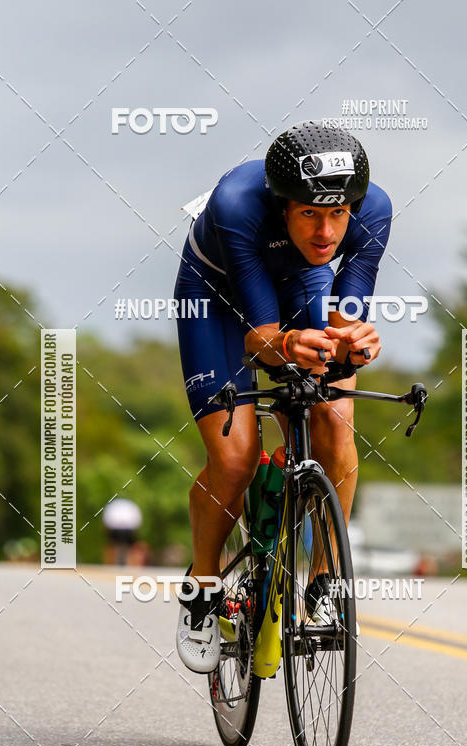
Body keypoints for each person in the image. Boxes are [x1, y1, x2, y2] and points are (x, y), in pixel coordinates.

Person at [175, 121, 392, 673]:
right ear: (282, 206)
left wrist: (355, 339)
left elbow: (346, 321)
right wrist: (289, 344)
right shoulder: (237, 205)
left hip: (301, 284)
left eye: (338, 214)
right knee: (235, 458)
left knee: (336, 421)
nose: (326, 232)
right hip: (217, 298)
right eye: (310, 214)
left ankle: (324, 578)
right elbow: (262, 340)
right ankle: (201, 588)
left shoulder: (375, 211)